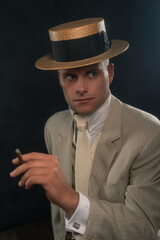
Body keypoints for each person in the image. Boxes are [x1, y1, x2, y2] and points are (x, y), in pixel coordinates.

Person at [10, 18, 160, 240]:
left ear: (109, 73)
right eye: (71, 76)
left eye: (92, 73)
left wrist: (69, 198)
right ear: (59, 79)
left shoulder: (149, 133)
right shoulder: (53, 126)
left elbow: (144, 230)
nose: (80, 88)